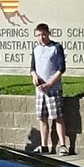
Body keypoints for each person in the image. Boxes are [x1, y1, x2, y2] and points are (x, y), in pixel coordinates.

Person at [30, 22, 69, 155]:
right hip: (40, 90)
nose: (41, 38)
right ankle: (44, 145)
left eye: (43, 34)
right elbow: (32, 67)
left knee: (57, 117)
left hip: (53, 89)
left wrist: (50, 83)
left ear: (48, 33)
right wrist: (34, 76)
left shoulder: (56, 47)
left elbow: (61, 68)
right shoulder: (36, 49)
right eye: (38, 35)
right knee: (42, 117)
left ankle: (63, 145)